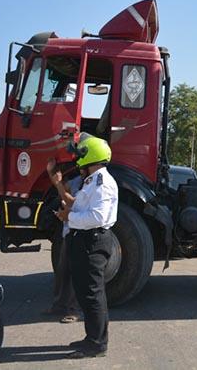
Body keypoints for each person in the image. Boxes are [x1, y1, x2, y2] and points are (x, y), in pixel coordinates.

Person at [46, 135, 118, 359]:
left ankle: (97, 344)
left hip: (93, 241)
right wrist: (66, 207)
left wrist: (69, 217)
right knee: (87, 294)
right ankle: (91, 338)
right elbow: (79, 204)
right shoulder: (92, 181)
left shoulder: (103, 183)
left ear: (91, 158)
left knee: (93, 295)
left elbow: (97, 216)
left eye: (80, 157)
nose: (77, 162)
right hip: (85, 240)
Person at [44, 175, 82, 323]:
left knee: (76, 273)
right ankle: (59, 305)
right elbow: (65, 192)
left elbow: (73, 202)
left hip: (80, 232)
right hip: (68, 231)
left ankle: (75, 310)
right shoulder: (77, 180)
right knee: (62, 271)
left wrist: (61, 190)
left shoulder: (92, 183)